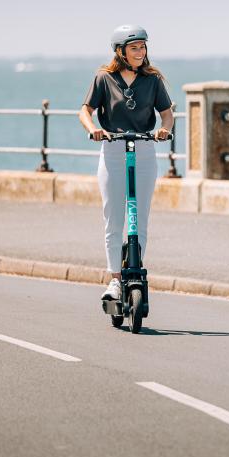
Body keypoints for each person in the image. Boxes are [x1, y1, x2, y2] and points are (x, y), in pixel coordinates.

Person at [79, 25, 174, 300]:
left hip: (144, 150)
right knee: (114, 217)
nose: (140, 52)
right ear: (120, 51)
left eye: (143, 47)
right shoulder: (104, 78)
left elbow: (167, 114)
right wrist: (93, 128)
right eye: (134, 47)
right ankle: (115, 279)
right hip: (112, 151)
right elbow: (85, 110)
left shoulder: (152, 80)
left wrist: (164, 129)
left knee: (139, 217)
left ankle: (135, 269)